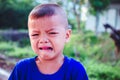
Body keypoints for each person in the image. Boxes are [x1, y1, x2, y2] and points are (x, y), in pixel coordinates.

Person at [8, 3, 88, 80]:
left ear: (66, 35)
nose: (43, 40)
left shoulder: (75, 70)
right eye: (35, 34)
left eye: (52, 33)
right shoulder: (22, 69)